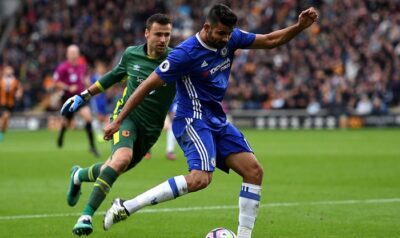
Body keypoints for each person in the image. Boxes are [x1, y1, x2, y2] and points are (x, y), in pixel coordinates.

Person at [102, 4, 318, 238]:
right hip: (192, 119)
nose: (226, 39)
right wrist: (118, 120)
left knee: (254, 171)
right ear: (207, 28)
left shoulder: (231, 37)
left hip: (216, 119)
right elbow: (145, 86)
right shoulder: (185, 54)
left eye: (228, 34)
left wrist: (299, 27)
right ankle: (126, 206)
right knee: (201, 179)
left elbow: (269, 40)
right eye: (221, 34)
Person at [60, 13, 174, 236]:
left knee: (111, 168)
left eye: (167, 35)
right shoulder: (132, 54)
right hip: (125, 117)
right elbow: (113, 76)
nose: (163, 39)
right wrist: (83, 96)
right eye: (158, 34)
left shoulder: (177, 60)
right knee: (121, 159)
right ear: (146, 33)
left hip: (151, 130)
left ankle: (78, 176)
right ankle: (86, 216)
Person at [54, 44, 100, 157]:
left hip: (80, 97)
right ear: (68, 54)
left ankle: (92, 146)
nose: (74, 55)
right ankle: (61, 133)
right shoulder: (63, 67)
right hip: (69, 99)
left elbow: (84, 78)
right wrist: (68, 88)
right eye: (72, 53)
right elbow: (56, 82)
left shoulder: (82, 66)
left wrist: (89, 85)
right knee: (68, 123)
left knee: (88, 118)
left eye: (75, 53)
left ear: (78, 54)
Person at [0, 66, 23, 141]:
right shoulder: (1, 81)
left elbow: (19, 89)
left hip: (10, 103)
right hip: (2, 102)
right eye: (8, 71)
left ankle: (2, 133)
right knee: (5, 116)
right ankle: (1, 134)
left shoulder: (15, 81)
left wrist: (19, 94)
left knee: (5, 119)